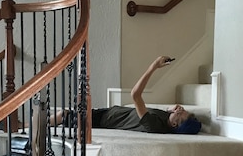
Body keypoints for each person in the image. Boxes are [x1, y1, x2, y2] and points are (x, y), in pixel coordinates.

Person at [59, 56, 202, 135]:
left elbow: (135, 95)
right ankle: (39, 125)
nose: (179, 109)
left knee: (64, 115)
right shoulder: (164, 119)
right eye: (181, 109)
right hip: (110, 113)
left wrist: (153, 67)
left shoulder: (155, 126)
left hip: (106, 120)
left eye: (181, 113)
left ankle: (38, 128)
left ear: (175, 124)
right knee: (68, 114)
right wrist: (171, 111)